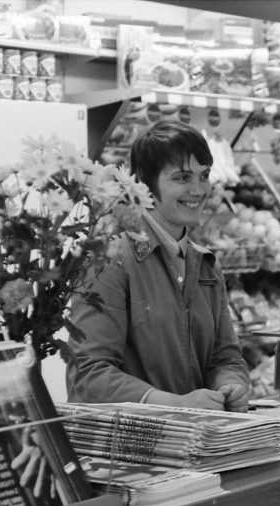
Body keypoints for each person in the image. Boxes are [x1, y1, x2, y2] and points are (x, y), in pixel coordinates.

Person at [67, 120, 251, 411]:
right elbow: (89, 373)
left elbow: (225, 357)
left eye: (204, 176)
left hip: (195, 441)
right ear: (145, 183)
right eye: (182, 178)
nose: (199, 190)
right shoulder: (109, 259)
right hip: (130, 446)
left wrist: (232, 385)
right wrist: (175, 404)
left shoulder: (206, 267)